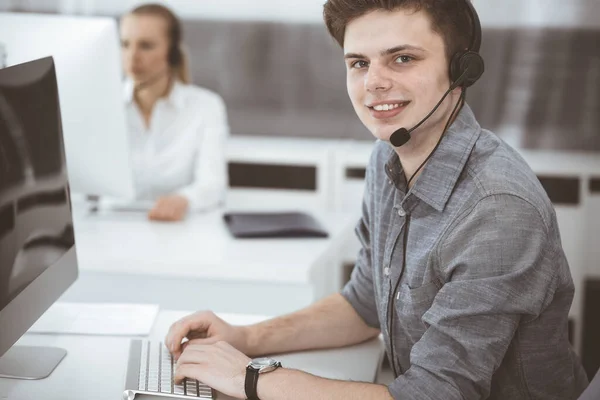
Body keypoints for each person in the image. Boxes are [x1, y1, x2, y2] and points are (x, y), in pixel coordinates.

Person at [163, 0, 590, 399]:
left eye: (402, 58)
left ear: (462, 70)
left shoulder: (498, 209)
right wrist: (243, 337)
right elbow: (363, 304)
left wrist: (250, 378)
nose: (374, 83)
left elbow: (433, 393)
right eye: (359, 63)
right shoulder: (388, 157)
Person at [119, 4, 229, 221]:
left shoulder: (206, 106)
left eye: (146, 46)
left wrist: (183, 200)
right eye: (124, 44)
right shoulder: (104, 105)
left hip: (179, 231)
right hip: (110, 228)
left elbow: (213, 185)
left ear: (172, 54)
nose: (132, 56)